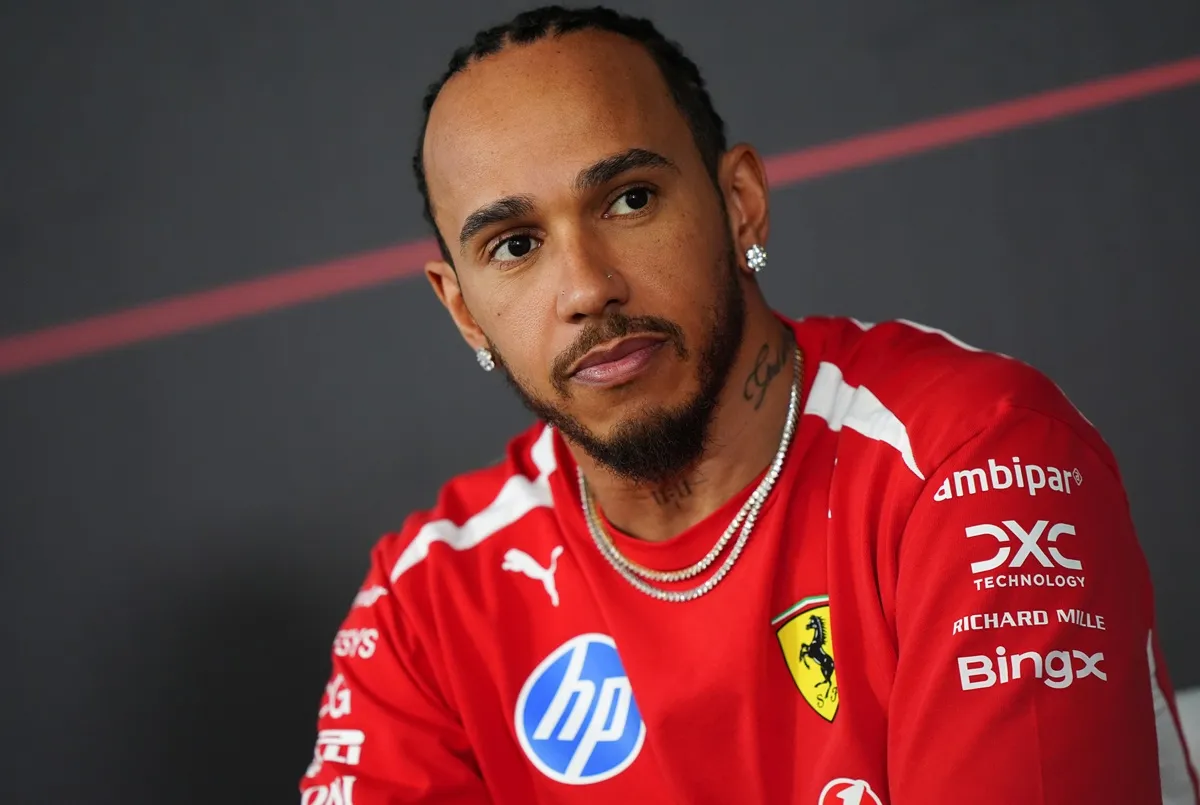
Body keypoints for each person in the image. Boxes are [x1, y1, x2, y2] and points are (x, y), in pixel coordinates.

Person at [299, 6, 1198, 803]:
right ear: (463, 309)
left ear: (740, 205)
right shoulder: (422, 605)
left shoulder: (979, 456)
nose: (586, 287)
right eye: (514, 244)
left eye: (630, 198)